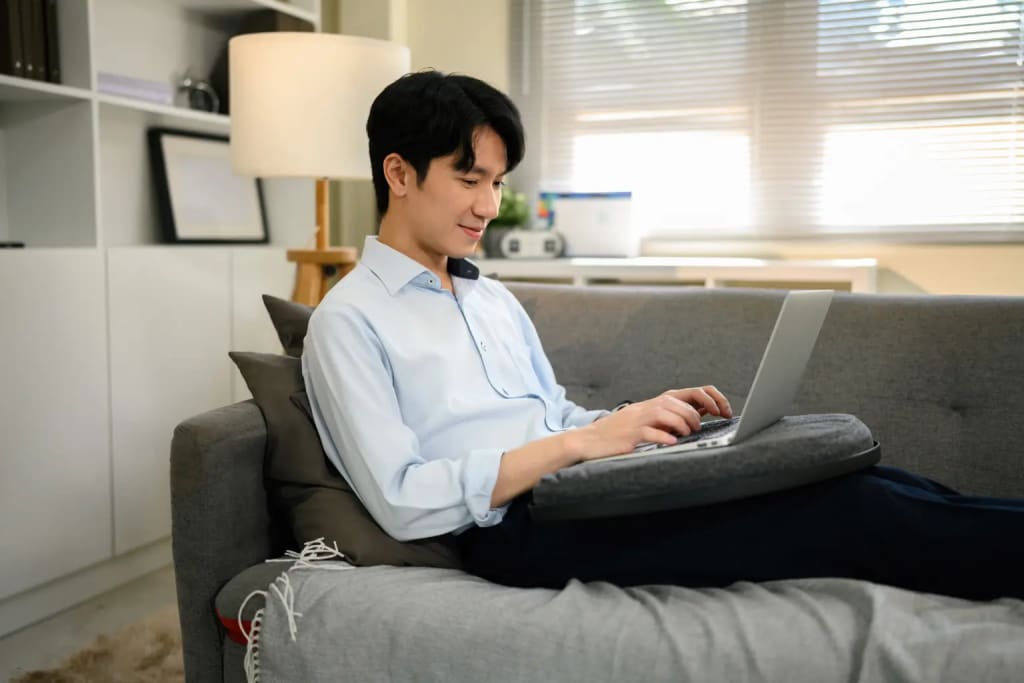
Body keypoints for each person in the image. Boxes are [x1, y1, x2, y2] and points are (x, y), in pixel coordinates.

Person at [301, 70, 1024, 601]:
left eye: (497, 181)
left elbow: (553, 417)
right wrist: (579, 445)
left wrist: (630, 424)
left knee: (851, 477)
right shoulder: (348, 321)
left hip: (580, 486)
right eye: (470, 179)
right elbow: (400, 496)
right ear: (398, 172)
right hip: (519, 530)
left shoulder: (487, 295)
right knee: (853, 514)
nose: (489, 205)